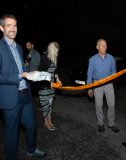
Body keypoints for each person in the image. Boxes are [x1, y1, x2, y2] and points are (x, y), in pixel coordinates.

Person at [0, 14, 45, 160]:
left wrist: (31, 73)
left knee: (32, 126)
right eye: (9, 26)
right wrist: (20, 76)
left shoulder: (19, 47)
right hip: (10, 98)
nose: (13, 29)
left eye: (15, 25)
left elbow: (21, 69)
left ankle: (31, 149)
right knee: (12, 133)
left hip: (25, 94)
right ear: (2, 28)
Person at [86, 38, 120, 133]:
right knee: (98, 105)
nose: (104, 47)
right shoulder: (92, 59)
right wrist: (89, 87)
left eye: (105, 45)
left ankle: (111, 123)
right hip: (97, 85)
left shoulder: (111, 58)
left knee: (111, 104)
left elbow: (114, 72)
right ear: (97, 47)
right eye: (102, 45)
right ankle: (100, 123)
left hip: (109, 84)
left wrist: (113, 82)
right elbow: (89, 74)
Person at [38, 41, 62, 131]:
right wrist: (49, 83)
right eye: (57, 50)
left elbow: (55, 71)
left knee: (50, 104)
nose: (57, 52)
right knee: (45, 105)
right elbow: (40, 73)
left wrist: (58, 79)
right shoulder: (44, 57)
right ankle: (46, 123)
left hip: (52, 86)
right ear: (53, 49)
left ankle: (50, 121)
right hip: (44, 86)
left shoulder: (55, 57)